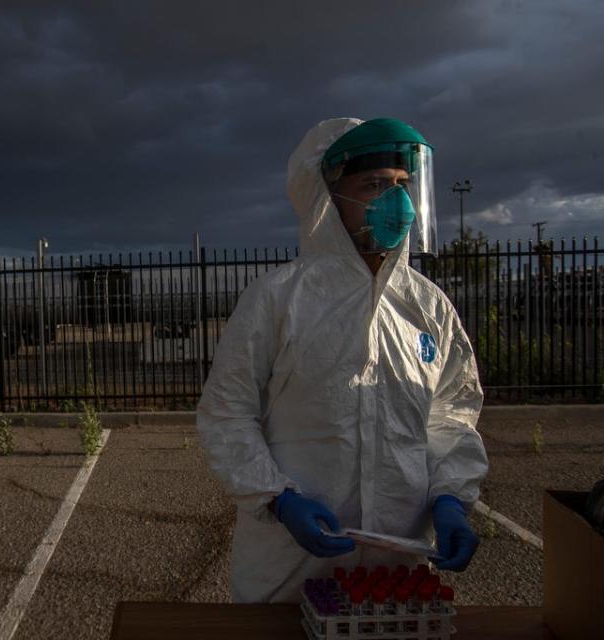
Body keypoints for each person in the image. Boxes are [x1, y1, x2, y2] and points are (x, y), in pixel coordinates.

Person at [195, 117, 489, 603]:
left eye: (401, 184)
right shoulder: (279, 300)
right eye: (374, 185)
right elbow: (228, 413)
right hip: (290, 569)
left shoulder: (428, 307)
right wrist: (278, 498)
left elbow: (451, 416)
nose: (397, 201)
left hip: (395, 573)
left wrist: (451, 499)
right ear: (328, 197)